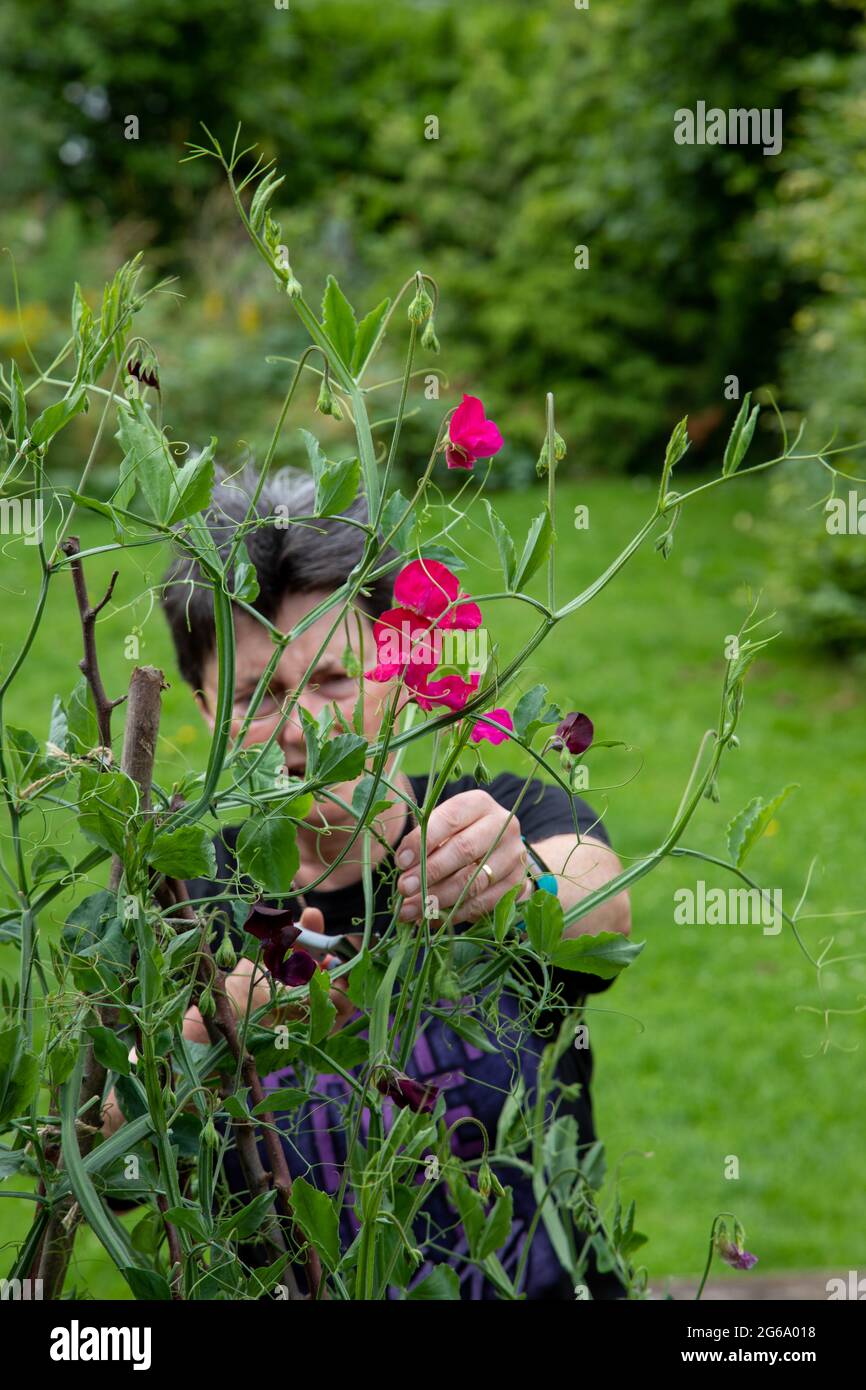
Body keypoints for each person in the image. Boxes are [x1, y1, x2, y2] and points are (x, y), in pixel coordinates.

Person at [159, 467, 632, 1299]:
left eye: (335, 680)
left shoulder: (502, 818)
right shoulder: (181, 901)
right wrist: (211, 1036)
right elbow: (95, 1141)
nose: (304, 725)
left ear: (402, 670)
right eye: (256, 694)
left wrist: (521, 893)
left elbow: (595, 906)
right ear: (203, 707)